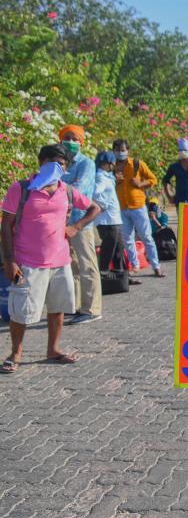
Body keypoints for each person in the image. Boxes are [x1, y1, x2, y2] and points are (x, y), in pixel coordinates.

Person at [0, 144, 101, 372]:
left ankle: (53, 350)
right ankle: (16, 353)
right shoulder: (21, 188)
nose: (57, 167)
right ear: (40, 162)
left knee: (58, 307)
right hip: (26, 263)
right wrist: (9, 260)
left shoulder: (66, 190)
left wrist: (76, 226)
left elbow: (95, 208)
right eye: (52, 162)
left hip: (60, 261)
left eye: (62, 164)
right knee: (20, 310)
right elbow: (6, 225)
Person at [59, 124, 102, 324]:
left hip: (81, 221)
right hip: (61, 221)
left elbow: (78, 190)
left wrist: (56, 188)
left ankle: (92, 309)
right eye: (68, 138)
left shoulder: (86, 163)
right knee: (71, 266)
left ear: (81, 143)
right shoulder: (59, 163)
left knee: (87, 265)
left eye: (75, 139)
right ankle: (74, 305)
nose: (71, 142)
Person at [114, 139, 163, 277]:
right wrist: (114, 180)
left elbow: (153, 179)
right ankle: (134, 265)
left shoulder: (136, 164)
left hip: (138, 206)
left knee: (146, 236)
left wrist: (140, 184)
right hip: (121, 207)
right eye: (117, 150)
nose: (120, 153)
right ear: (113, 151)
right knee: (127, 239)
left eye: (123, 150)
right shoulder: (112, 167)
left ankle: (156, 265)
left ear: (128, 151)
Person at [91, 151, 129, 275]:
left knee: (119, 248)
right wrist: (104, 205)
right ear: (108, 164)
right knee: (108, 248)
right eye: (113, 163)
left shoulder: (107, 177)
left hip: (113, 219)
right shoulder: (100, 177)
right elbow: (95, 193)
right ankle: (104, 273)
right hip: (107, 220)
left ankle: (120, 274)